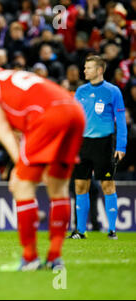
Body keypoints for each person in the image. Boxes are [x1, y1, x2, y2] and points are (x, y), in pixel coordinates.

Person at [0, 59, 86, 271]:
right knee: (58, 188)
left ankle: (30, 258)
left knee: (21, 187)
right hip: (75, 111)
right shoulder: (11, 76)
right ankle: (55, 258)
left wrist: (18, 166)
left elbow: (1, 129)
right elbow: (21, 124)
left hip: (46, 116)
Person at [69, 56, 127, 240]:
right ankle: (80, 231)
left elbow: (121, 121)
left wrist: (121, 145)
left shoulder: (113, 91)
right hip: (82, 143)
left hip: (104, 143)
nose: (84, 70)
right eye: (84, 67)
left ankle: (112, 230)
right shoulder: (80, 91)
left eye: (88, 68)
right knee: (80, 185)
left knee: (107, 184)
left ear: (99, 70)